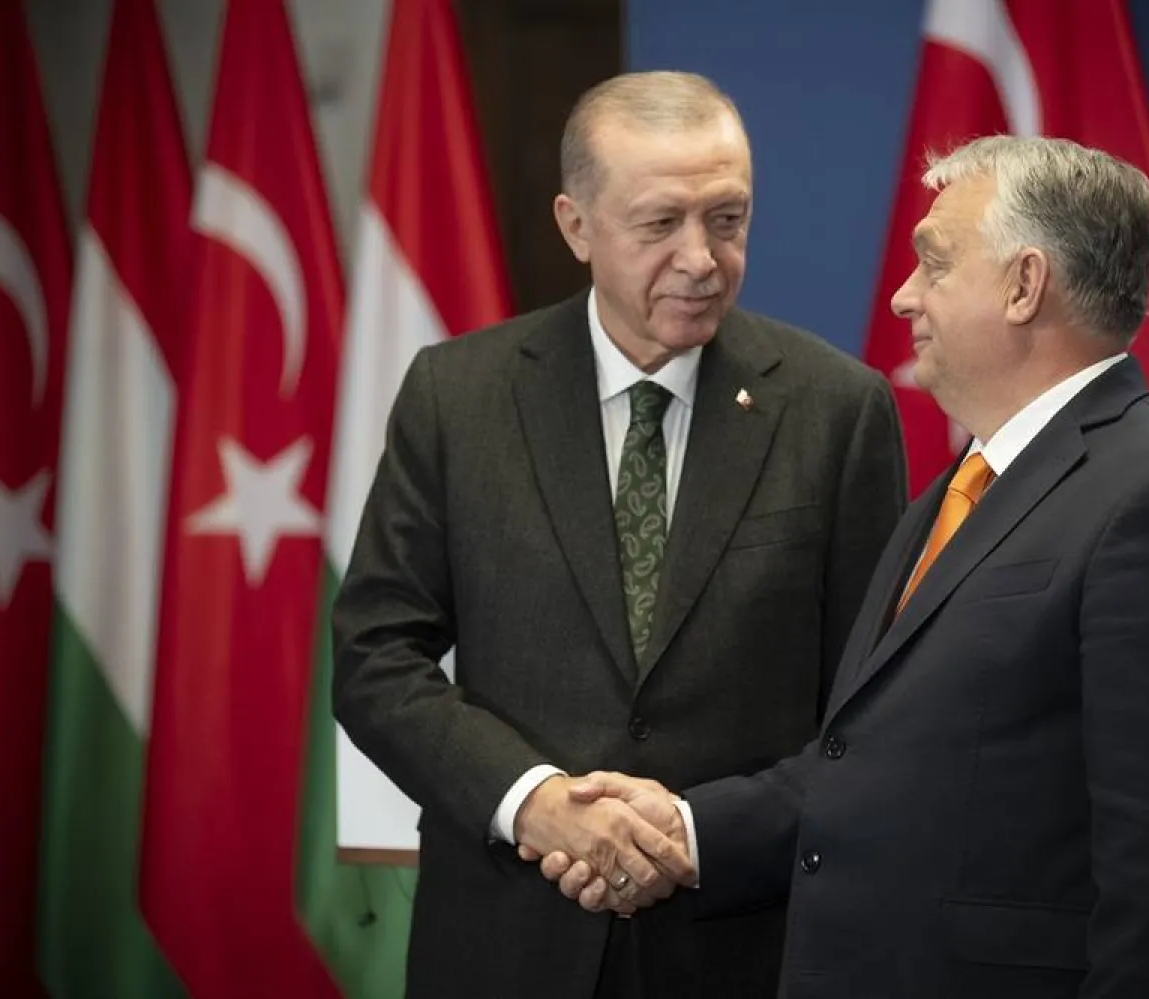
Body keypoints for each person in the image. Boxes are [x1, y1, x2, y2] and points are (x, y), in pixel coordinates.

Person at [538, 135, 1149, 998]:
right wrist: (681, 828)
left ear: (1024, 285)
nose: (902, 296)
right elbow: (871, 763)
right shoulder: (954, 497)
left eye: (933, 262)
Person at [330, 70, 908, 999]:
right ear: (575, 226)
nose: (701, 258)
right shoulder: (459, 396)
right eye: (659, 223)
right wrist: (536, 805)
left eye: (728, 218)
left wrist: (693, 830)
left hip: (741, 947)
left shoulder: (838, 411)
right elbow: (374, 658)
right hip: (507, 943)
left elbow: (874, 713)